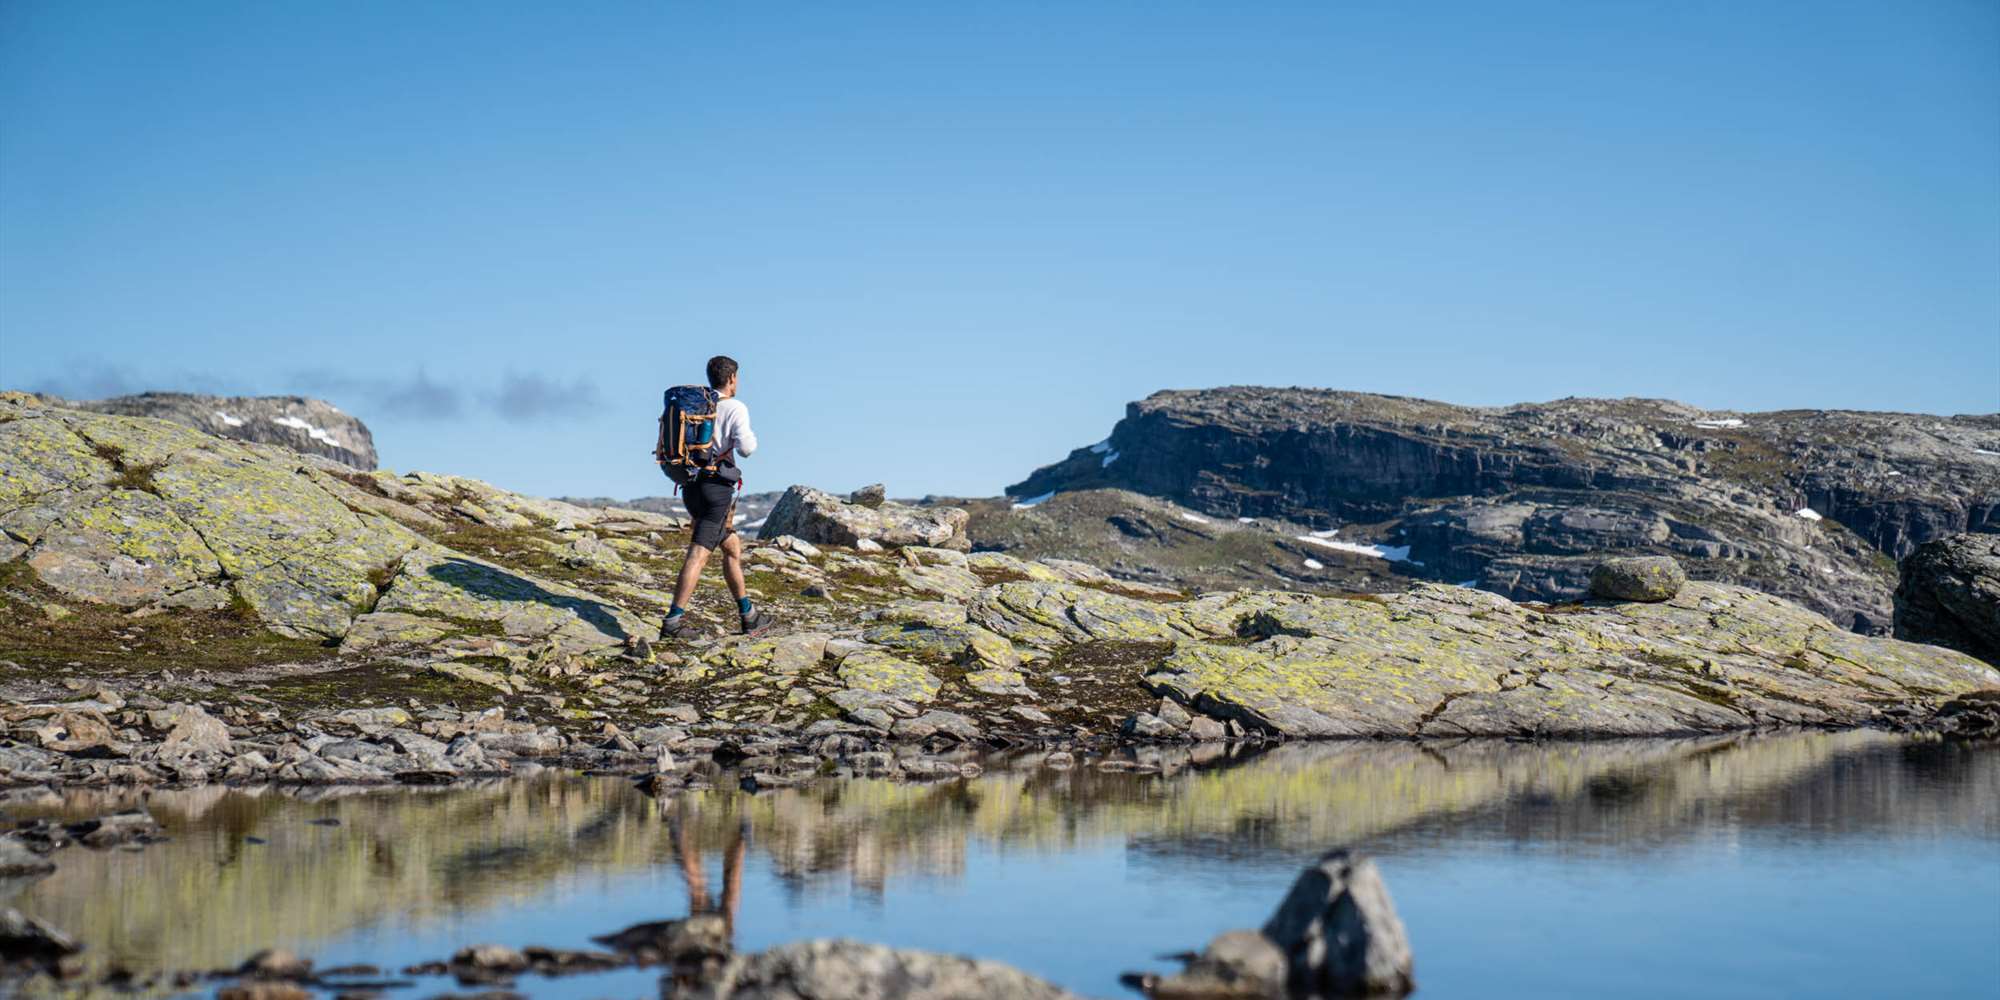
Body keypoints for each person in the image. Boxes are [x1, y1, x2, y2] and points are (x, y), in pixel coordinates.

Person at [661, 355, 772, 639]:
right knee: (698, 554)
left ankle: (749, 615)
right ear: (732, 378)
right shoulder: (735, 407)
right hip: (717, 490)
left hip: (690, 487)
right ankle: (673, 622)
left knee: (732, 547)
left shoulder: (696, 406)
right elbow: (746, 448)